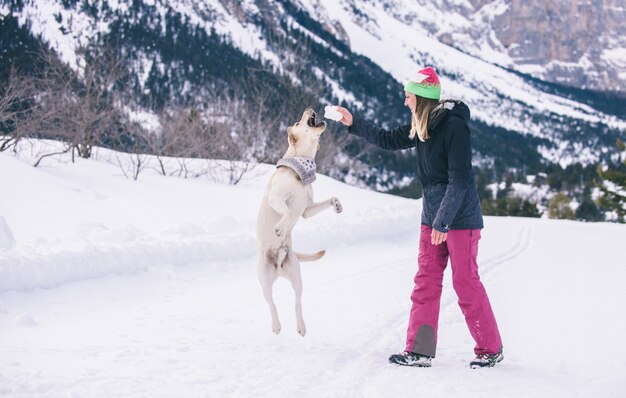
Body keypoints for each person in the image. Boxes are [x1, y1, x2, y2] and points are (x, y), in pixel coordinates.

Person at [334, 66, 503, 368]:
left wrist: (443, 221)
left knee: (465, 281)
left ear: (422, 98)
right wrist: (353, 123)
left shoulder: (453, 126)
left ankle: (490, 348)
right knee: (425, 280)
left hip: (459, 218)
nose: (405, 102)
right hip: (432, 215)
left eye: (408, 96)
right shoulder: (422, 123)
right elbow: (388, 139)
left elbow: (460, 179)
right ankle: (419, 350)